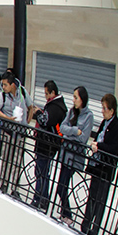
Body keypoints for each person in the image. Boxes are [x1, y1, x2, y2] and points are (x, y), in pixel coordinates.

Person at [81, 94, 118, 235]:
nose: (103, 111)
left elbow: (113, 148)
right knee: (92, 196)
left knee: (100, 200)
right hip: (97, 166)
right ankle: (85, 225)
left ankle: (94, 229)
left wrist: (99, 147)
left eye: (105, 108)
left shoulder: (116, 126)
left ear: (112, 110)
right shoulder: (104, 123)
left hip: (105, 168)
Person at [56, 87, 93, 226]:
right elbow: (63, 128)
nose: (73, 100)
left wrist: (72, 134)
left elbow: (83, 138)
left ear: (82, 99)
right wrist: (74, 131)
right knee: (61, 185)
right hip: (65, 154)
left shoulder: (89, 116)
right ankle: (65, 213)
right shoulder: (71, 112)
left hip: (75, 157)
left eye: (76, 97)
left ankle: (67, 214)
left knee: (62, 186)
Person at [29, 80, 67, 211]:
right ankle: (41, 197)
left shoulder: (56, 107)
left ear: (53, 93)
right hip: (46, 145)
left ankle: (40, 198)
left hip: (47, 145)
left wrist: (38, 113)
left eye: (46, 93)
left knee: (42, 172)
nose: (45, 96)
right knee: (42, 171)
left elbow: (46, 121)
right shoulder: (56, 105)